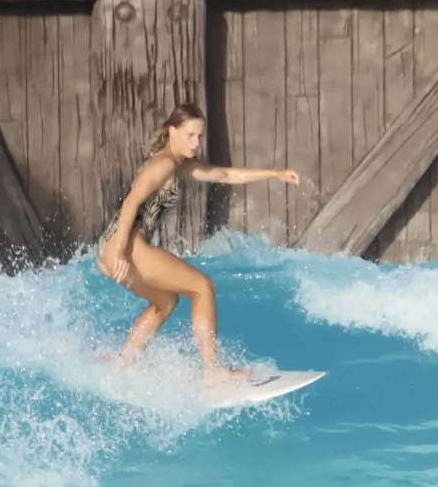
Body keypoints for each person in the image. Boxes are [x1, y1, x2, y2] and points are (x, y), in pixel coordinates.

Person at [96, 107, 298, 384]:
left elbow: (224, 175)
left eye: (199, 136)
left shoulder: (180, 165)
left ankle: (124, 362)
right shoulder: (163, 164)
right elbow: (130, 202)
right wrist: (119, 251)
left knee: (166, 301)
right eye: (190, 135)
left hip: (112, 248)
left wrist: (274, 173)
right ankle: (212, 372)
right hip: (124, 245)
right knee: (203, 288)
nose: (196, 143)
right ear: (172, 131)